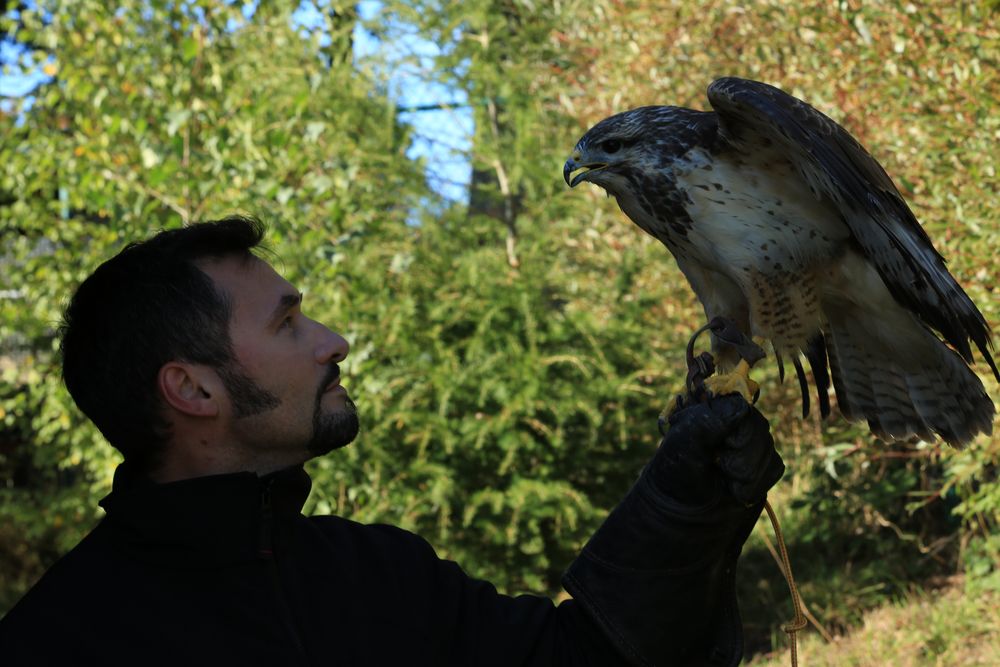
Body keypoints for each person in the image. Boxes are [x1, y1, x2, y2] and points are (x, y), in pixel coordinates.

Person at [0, 216, 784, 666]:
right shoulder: (62, 642)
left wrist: (687, 500)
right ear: (194, 390)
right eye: (288, 322)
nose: (333, 340)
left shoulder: (376, 574)